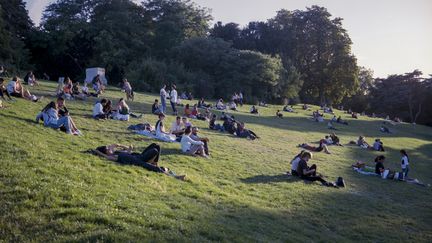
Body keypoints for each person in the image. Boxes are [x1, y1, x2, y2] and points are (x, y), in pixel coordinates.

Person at [93, 143, 186, 180]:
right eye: (108, 148)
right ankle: (175, 177)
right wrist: (97, 152)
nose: (110, 148)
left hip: (139, 156)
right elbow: (105, 156)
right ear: (106, 152)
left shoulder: (117, 152)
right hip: (139, 161)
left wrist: (120, 146)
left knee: (156, 145)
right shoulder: (113, 157)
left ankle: (154, 163)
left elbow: (128, 149)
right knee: (155, 151)